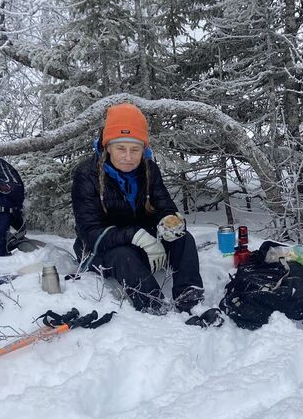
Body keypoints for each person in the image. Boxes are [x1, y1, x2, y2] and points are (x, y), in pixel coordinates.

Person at [71, 103, 204, 314]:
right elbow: (89, 233)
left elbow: (164, 206)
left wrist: (170, 220)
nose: (128, 157)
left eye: (135, 149)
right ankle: (152, 303)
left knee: (183, 237)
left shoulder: (149, 169)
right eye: (120, 148)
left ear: (144, 149)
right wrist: (135, 236)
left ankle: (189, 295)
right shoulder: (87, 175)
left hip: (144, 241)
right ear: (107, 146)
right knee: (124, 255)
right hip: (103, 248)